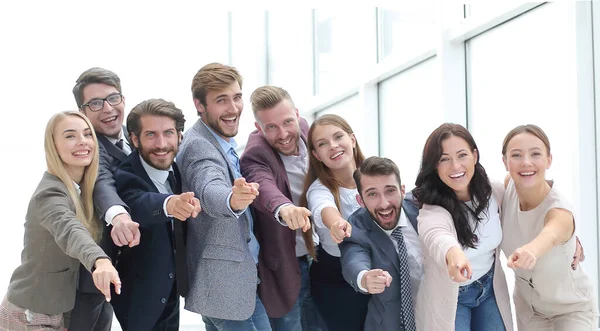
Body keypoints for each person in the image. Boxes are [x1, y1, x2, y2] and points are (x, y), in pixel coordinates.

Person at [0, 111, 121, 330]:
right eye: (70, 136)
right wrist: (100, 261)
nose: (82, 142)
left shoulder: (85, 189)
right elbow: (70, 230)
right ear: (53, 146)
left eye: (87, 134)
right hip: (31, 314)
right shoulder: (49, 194)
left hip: (61, 310)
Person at [177, 63, 270, 330]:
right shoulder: (198, 146)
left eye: (237, 97)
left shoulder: (218, 140)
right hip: (223, 285)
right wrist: (231, 199)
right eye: (221, 101)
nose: (233, 108)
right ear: (199, 105)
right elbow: (208, 187)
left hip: (234, 283)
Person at [412, 123, 513, 331]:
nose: (455, 166)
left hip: (489, 288)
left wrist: (567, 238)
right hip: (450, 296)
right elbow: (438, 236)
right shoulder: (432, 209)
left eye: (462, 155)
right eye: (444, 159)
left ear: (474, 156)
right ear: (434, 166)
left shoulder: (493, 192)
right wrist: (454, 256)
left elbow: (526, 212)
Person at [240, 86, 324, 331]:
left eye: (287, 122)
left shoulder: (313, 134)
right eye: (271, 128)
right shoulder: (255, 154)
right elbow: (263, 186)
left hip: (324, 255)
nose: (283, 133)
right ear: (259, 128)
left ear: (297, 114)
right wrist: (285, 208)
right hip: (287, 265)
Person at [112, 99, 201, 330]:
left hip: (171, 290)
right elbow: (137, 202)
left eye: (168, 133)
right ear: (134, 138)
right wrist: (170, 204)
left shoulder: (176, 167)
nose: (161, 144)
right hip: (141, 299)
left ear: (179, 135)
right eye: (151, 134)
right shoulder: (125, 174)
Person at [500, 124, 598, 330]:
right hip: (530, 310)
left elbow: (550, 234)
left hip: (571, 308)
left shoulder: (559, 211)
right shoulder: (508, 187)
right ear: (505, 162)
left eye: (535, 154)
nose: (526, 163)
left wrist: (529, 251)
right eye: (516, 155)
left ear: (548, 160)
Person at [71, 67, 141, 330]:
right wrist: (119, 216)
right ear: (82, 112)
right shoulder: (87, 147)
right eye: (95, 103)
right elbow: (101, 183)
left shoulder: (138, 135)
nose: (108, 108)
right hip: (93, 269)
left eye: (113, 98)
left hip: (132, 266)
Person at [299, 114, 369, 331]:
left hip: (377, 267)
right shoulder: (319, 189)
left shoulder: (375, 175)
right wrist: (337, 224)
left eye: (338, 137)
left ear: (353, 140)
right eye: (322, 144)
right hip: (336, 280)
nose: (333, 146)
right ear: (316, 155)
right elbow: (323, 209)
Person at [339, 156, 421, 331]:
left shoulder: (422, 209)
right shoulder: (357, 225)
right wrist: (364, 278)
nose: (384, 203)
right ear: (360, 200)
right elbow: (353, 260)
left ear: (402, 190)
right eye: (372, 194)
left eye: (390, 191)